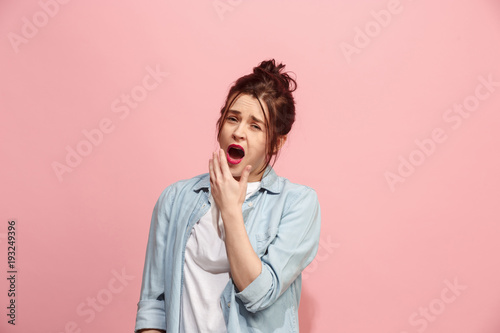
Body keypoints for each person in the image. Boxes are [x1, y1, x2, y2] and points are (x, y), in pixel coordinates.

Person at [134, 59, 321, 333]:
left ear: (276, 141)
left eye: (255, 126)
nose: (238, 132)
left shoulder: (297, 204)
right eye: (232, 118)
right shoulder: (175, 199)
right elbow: (154, 305)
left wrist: (230, 210)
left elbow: (259, 294)